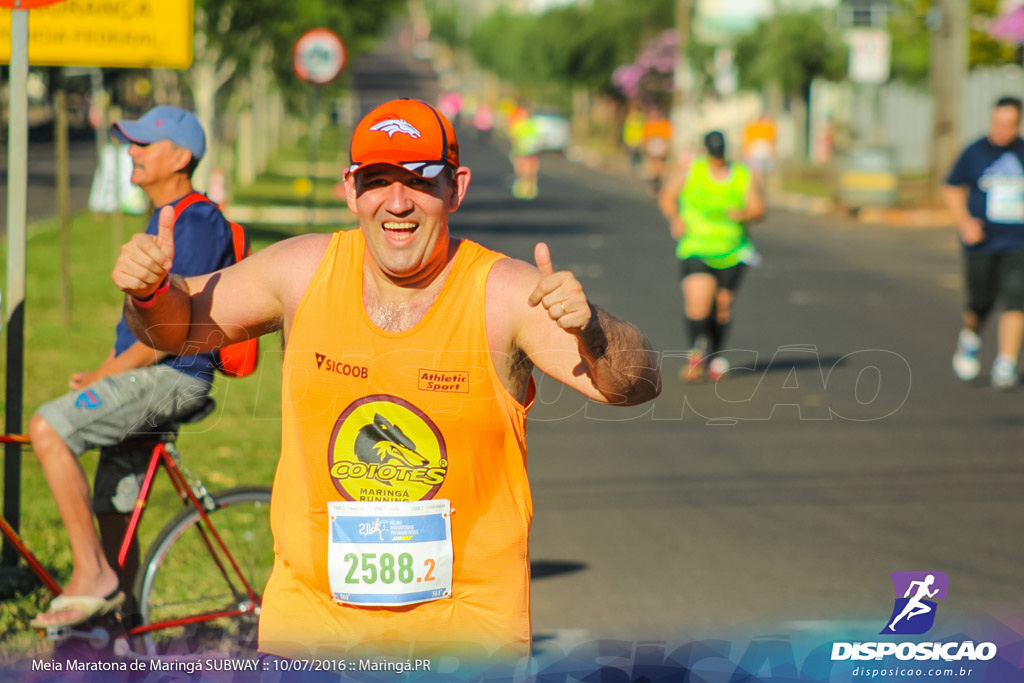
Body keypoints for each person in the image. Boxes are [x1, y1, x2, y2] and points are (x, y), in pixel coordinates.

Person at [111, 98, 661, 664]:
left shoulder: (504, 294)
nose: (397, 203)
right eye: (378, 180)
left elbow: (635, 384)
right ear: (352, 189)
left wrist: (593, 328)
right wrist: (150, 292)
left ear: (456, 188)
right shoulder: (301, 272)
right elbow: (177, 328)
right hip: (309, 630)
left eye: (420, 180)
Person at [29, 106, 237, 629]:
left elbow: (167, 333)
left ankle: (92, 576)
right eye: (131, 143)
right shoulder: (169, 215)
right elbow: (138, 330)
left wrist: (106, 378)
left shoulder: (194, 219)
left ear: (181, 157)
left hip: (174, 377)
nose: (132, 152)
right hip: (152, 373)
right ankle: (121, 631)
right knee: (114, 506)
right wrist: (102, 369)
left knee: (48, 429)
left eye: (145, 144)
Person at [658, 130, 765, 382]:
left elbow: (758, 209)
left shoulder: (741, 174)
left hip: (733, 251)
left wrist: (743, 215)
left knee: (722, 309)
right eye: (713, 153)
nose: (717, 158)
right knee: (698, 302)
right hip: (696, 247)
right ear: (706, 151)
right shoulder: (691, 170)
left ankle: (715, 355)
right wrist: (675, 218)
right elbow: (667, 197)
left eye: (720, 153)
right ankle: (696, 351)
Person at [944, 95, 1024, 390]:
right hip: (982, 242)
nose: (1004, 129)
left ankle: (1006, 362)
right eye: (999, 122)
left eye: (1010, 123)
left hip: (1018, 240)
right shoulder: (975, 152)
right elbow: (952, 187)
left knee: (1017, 298)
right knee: (980, 302)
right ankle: (971, 337)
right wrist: (965, 223)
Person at [508, 105, 543, 199]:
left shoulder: (529, 125)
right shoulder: (523, 124)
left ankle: (528, 189)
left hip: (527, 152)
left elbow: (513, 137)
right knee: (525, 171)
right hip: (523, 152)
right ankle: (525, 189)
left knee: (526, 171)